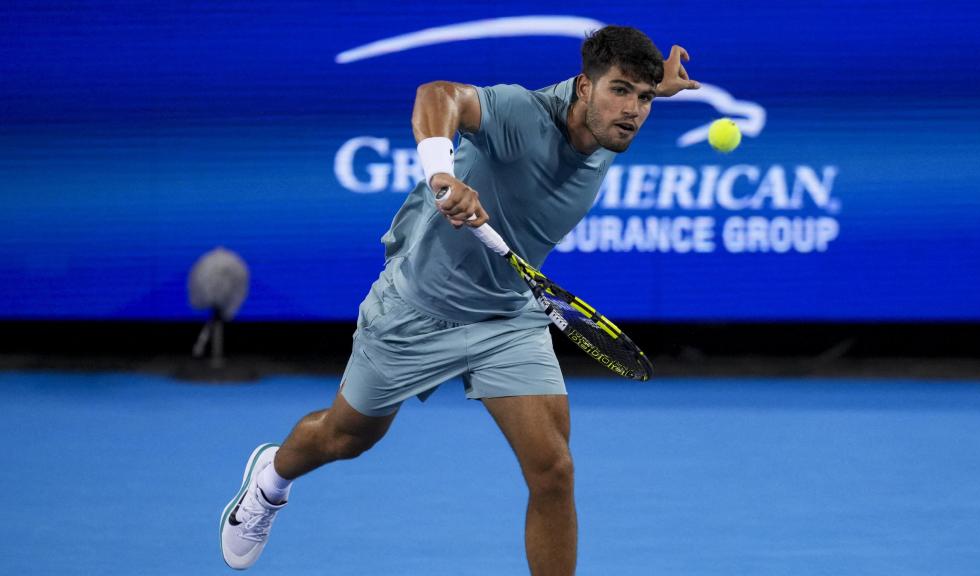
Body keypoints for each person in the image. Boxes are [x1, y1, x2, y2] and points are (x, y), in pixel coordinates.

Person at [220, 25, 700, 574]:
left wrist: (651, 85)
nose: (634, 112)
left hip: (506, 315)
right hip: (416, 309)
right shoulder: (521, 114)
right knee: (345, 437)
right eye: (620, 91)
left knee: (554, 470)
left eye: (642, 99)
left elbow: (628, 94)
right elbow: (436, 95)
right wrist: (442, 172)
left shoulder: (613, 122)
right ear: (582, 88)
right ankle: (269, 482)